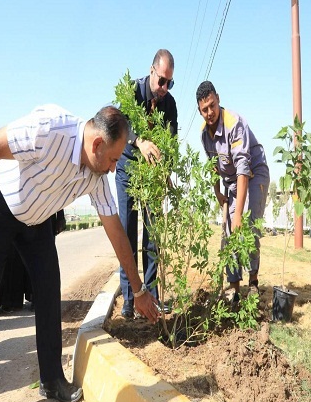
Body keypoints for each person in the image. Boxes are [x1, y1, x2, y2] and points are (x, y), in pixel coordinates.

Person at [0, 104, 160, 402]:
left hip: (37, 222)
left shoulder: (96, 177)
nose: (115, 168)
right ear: (97, 144)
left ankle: (52, 380)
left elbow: (116, 232)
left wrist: (138, 290)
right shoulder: (50, 129)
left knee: (48, 294)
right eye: (114, 159)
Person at [115, 49, 178, 319]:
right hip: (128, 166)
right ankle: (130, 297)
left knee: (152, 234)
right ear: (151, 71)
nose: (164, 87)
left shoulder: (170, 104)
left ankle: (151, 295)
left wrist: (167, 172)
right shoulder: (131, 91)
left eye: (169, 83)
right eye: (161, 81)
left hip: (151, 173)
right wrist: (139, 141)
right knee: (127, 232)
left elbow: (171, 142)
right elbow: (117, 126)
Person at [196, 80, 270, 306]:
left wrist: (238, 213)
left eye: (211, 105)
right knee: (228, 232)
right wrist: (218, 192)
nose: (209, 112)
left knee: (247, 224)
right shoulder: (204, 134)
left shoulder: (234, 123)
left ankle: (254, 282)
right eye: (204, 109)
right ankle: (234, 287)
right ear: (199, 110)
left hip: (253, 174)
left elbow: (243, 168)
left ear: (218, 99)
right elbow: (212, 166)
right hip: (230, 181)